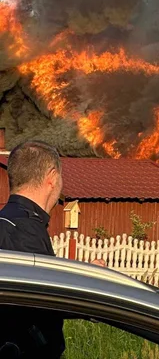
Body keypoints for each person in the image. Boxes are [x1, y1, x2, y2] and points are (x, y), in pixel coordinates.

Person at [0, 140, 65, 357]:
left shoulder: (7, 221)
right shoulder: (26, 230)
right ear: (52, 177)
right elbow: (39, 301)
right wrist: (92, 282)